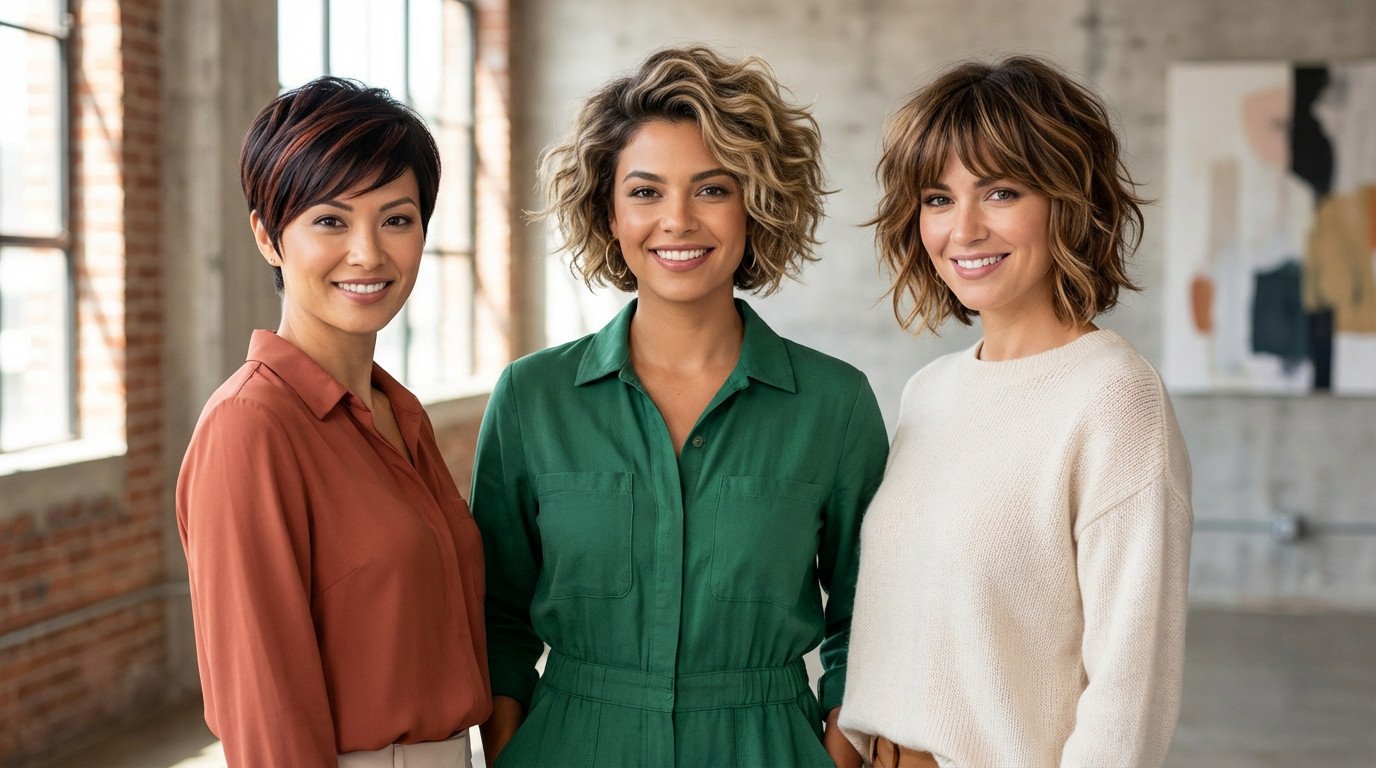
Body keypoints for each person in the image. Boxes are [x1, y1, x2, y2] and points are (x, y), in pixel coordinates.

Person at [471, 46, 888, 767]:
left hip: (766, 746)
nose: (678, 220)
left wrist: (837, 752)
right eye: (645, 192)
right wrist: (512, 749)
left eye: (712, 189)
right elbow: (496, 617)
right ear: (608, 209)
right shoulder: (530, 398)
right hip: (572, 744)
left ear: (755, 202)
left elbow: (870, 612)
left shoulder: (835, 404)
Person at [838, 56, 1193, 768]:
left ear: (1068, 200)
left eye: (1000, 192)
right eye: (937, 199)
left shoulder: (1114, 397)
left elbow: (1129, 694)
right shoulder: (929, 391)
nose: (963, 229)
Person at [176, 77, 490, 767]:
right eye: (330, 220)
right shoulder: (249, 428)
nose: (368, 253)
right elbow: (264, 711)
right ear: (267, 236)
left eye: (397, 219)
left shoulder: (397, 413)